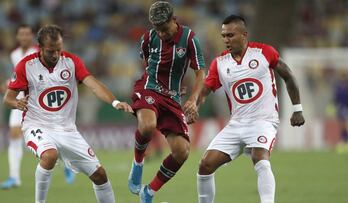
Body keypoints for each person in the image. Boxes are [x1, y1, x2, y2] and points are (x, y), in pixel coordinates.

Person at [3, 24, 133, 203]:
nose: (56, 55)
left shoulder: (71, 62)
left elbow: (93, 84)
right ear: (40, 48)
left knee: (100, 175)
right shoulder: (26, 66)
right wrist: (16, 102)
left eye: (58, 49)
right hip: (37, 125)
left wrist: (115, 102)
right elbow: (7, 99)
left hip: (68, 130)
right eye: (50, 51)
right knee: (49, 156)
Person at [193, 15, 305, 203]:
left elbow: (288, 76)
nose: (226, 40)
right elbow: (205, 90)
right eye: (223, 36)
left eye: (230, 35)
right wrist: (194, 103)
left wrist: (297, 109)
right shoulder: (220, 63)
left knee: (259, 156)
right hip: (236, 124)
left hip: (264, 121)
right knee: (205, 164)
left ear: (244, 35)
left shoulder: (264, 52)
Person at [127, 1, 206, 203]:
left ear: (174, 20)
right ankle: (137, 163)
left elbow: (200, 73)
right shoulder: (147, 38)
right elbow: (147, 64)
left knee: (182, 151)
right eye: (157, 29)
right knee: (148, 125)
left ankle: (149, 192)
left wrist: (193, 99)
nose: (161, 33)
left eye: (164, 29)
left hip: (172, 98)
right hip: (149, 88)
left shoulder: (189, 38)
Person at [0, 24, 74, 190]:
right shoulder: (15, 54)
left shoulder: (39, 52)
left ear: (32, 36)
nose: (24, 37)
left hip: (38, 103)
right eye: (21, 34)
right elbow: (18, 77)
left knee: (50, 138)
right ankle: (14, 177)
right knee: (14, 135)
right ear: (17, 37)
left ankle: (66, 164)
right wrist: (8, 85)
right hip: (20, 101)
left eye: (27, 34)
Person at [333, 71, 348, 153]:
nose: (343, 79)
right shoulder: (338, 87)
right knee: (342, 125)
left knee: (346, 125)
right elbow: (336, 99)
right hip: (340, 108)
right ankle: (344, 141)